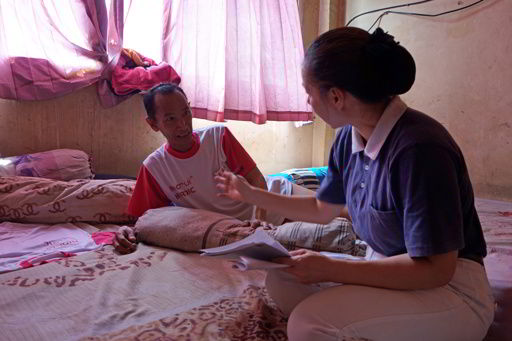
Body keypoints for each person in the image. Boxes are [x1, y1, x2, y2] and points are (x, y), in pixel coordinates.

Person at [214, 27, 494, 341]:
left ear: (336, 96)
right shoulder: (348, 138)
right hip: (387, 273)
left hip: (450, 291)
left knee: (309, 324)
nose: (308, 100)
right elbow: (323, 208)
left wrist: (330, 269)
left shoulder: (420, 148)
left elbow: (436, 269)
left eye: (310, 91)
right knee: (284, 279)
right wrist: (253, 195)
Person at [114, 83, 310, 254]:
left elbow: (257, 180)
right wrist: (127, 232)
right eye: (170, 119)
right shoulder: (155, 168)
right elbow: (146, 219)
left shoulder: (218, 137)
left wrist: (260, 219)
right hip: (237, 228)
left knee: (336, 213)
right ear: (153, 124)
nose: (183, 125)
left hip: (274, 198)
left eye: (185, 113)